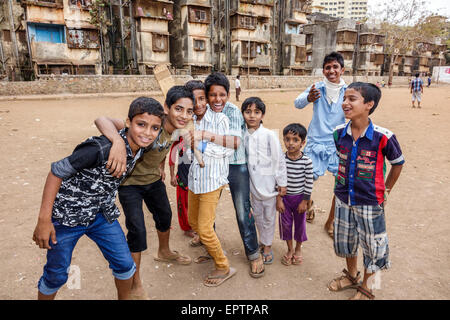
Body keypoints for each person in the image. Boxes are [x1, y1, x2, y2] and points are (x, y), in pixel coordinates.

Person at [32, 97, 165, 300]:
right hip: (67, 217)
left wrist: (120, 141)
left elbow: (107, 121)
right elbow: (56, 172)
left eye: (154, 128)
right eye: (141, 125)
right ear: (129, 122)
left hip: (100, 215)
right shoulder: (100, 149)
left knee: (125, 264)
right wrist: (44, 219)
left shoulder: (140, 145)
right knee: (56, 275)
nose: (147, 133)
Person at [94, 86, 194, 299]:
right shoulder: (150, 124)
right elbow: (102, 119)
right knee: (137, 230)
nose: (184, 116)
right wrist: (118, 142)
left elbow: (167, 148)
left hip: (153, 181)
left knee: (165, 216)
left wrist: (162, 165)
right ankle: (135, 283)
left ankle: (164, 252)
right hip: (130, 184)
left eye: (189, 111)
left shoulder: (176, 129)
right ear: (166, 108)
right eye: (178, 109)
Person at [327, 82, 404, 300]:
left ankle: (368, 286)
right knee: (346, 241)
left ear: (369, 104)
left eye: (352, 99)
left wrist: (386, 190)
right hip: (343, 199)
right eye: (345, 98)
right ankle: (352, 276)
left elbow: (398, 163)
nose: (345, 103)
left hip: (370, 202)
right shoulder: (338, 133)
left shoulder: (384, 137)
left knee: (373, 246)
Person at [191, 72, 265, 278]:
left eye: (222, 95)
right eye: (212, 95)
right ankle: (210, 248)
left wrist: (204, 137)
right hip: (212, 165)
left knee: (243, 211)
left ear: (229, 95)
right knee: (207, 209)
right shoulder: (201, 112)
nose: (217, 100)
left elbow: (234, 142)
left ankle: (253, 254)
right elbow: (195, 141)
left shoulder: (232, 112)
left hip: (235, 165)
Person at [294, 52, 346, 237]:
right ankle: (308, 204)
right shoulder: (317, 88)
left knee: (342, 186)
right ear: (323, 70)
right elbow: (297, 103)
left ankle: (330, 223)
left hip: (338, 146)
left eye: (335, 67)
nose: (331, 70)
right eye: (328, 67)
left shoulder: (348, 91)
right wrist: (309, 98)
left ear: (342, 69)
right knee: (303, 181)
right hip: (315, 143)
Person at [187, 89, 236, 287]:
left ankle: (223, 266)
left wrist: (203, 146)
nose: (198, 104)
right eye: (193, 100)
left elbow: (227, 149)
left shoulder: (220, 119)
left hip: (212, 180)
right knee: (194, 222)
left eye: (201, 98)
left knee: (205, 229)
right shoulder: (189, 120)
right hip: (195, 178)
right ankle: (211, 250)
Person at [242, 97, 287, 266]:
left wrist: (282, 183)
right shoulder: (242, 136)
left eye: (256, 112)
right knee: (258, 217)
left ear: (262, 115)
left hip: (270, 187)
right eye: (248, 112)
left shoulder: (269, 135)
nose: (252, 116)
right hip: (253, 186)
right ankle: (262, 241)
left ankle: (267, 247)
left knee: (269, 218)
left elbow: (278, 160)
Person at [168, 80, 208, 242]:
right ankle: (186, 228)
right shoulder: (180, 127)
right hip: (183, 174)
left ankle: (200, 228)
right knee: (183, 203)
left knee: (200, 204)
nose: (198, 104)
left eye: (202, 98)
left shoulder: (208, 124)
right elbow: (173, 151)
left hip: (201, 175)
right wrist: (171, 174)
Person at [276, 123, 313, 266]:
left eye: (295, 140)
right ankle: (290, 249)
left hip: (299, 199)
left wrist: (305, 201)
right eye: (287, 139)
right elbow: (277, 181)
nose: (290, 143)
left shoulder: (306, 162)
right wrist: (278, 199)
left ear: (303, 143)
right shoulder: (281, 160)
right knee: (285, 225)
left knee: (300, 225)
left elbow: (309, 183)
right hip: (284, 199)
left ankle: (298, 249)